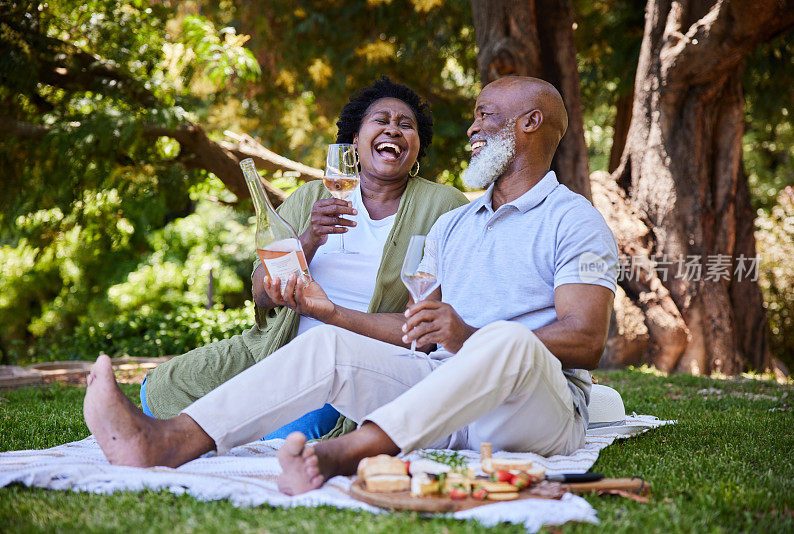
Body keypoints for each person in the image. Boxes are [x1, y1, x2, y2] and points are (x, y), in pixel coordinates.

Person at [83, 76, 619, 497]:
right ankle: (168, 439)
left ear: (529, 122)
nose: (473, 128)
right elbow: (415, 330)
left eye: (486, 115)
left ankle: (347, 452)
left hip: (534, 406)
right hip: (443, 396)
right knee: (326, 344)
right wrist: (330, 312)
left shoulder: (573, 221)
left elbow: (586, 340)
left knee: (505, 339)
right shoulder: (456, 224)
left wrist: (472, 333)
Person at [140, 77, 467, 441]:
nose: (394, 128)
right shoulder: (311, 196)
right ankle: (207, 430)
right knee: (160, 389)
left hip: (357, 364)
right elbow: (262, 294)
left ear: (418, 147)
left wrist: (334, 316)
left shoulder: (444, 206)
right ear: (354, 141)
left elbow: (418, 334)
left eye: (407, 125)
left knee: (285, 433)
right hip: (277, 350)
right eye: (381, 120)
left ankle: (202, 436)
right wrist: (310, 239)